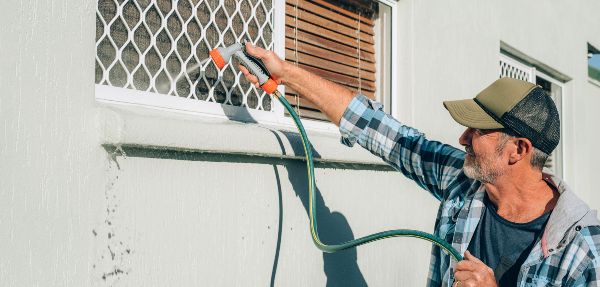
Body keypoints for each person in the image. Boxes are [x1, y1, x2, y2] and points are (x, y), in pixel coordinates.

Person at [238, 43, 600, 286]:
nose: (462, 139)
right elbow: (383, 132)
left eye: (477, 130)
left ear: (517, 150)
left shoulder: (583, 247)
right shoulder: (463, 183)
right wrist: (286, 74)